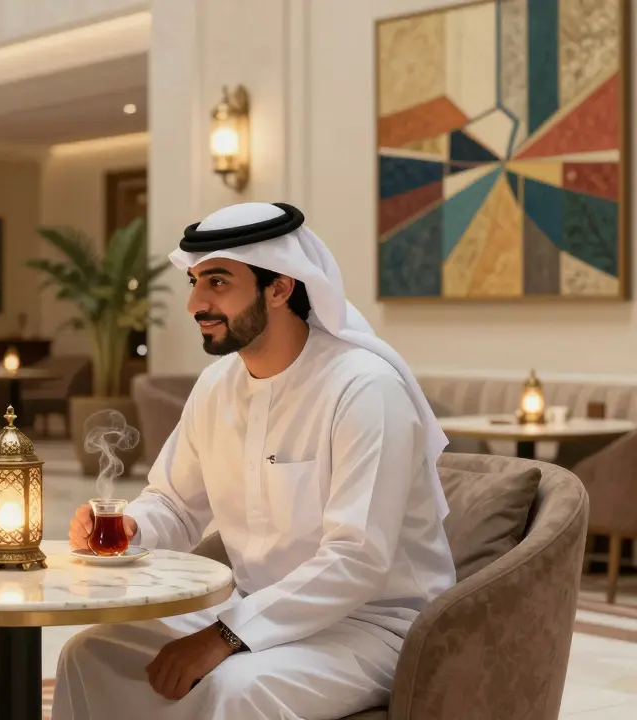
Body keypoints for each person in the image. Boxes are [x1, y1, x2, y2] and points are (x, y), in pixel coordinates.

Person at [53, 202, 455, 720]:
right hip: (252, 608)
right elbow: (175, 505)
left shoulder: (364, 388)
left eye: (218, 282)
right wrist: (131, 528)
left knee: (236, 688)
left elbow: (357, 559)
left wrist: (223, 637)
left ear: (280, 288)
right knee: (90, 655)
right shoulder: (216, 386)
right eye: (195, 282)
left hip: (374, 625)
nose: (196, 303)